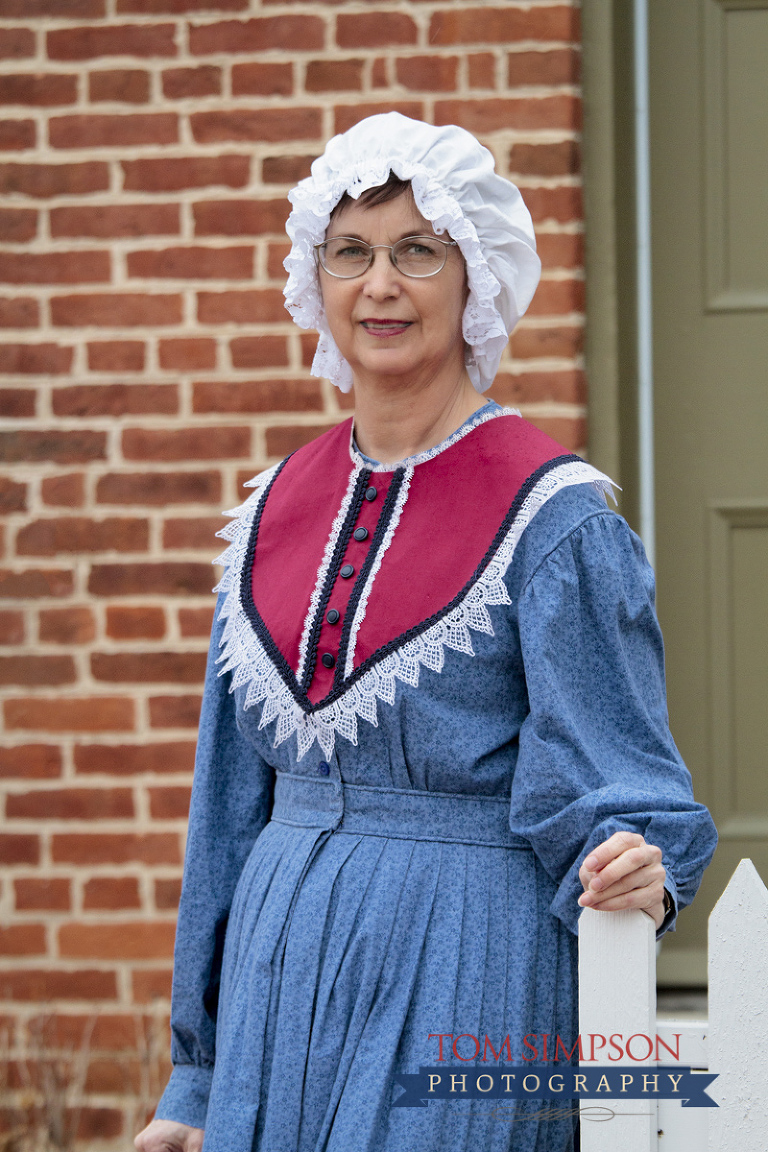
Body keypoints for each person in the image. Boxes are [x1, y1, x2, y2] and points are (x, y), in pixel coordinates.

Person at [135, 113, 717, 1152]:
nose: (380, 285)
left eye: (417, 250)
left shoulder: (556, 520)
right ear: (315, 278)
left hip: (465, 964)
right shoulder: (270, 511)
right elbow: (225, 810)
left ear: (473, 277)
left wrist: (640, 860)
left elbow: (622, 781)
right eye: (351, 252)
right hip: (277, 977)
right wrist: (196, 1078)